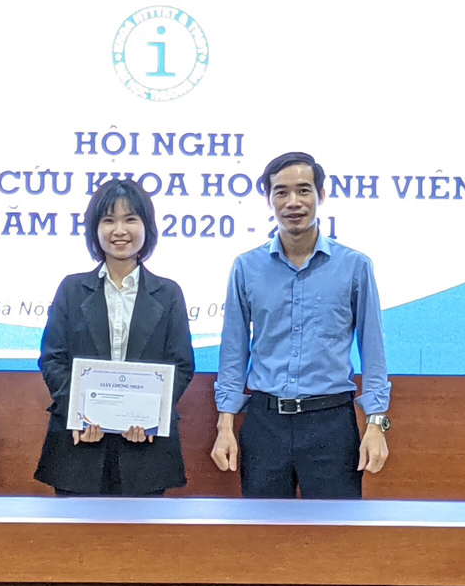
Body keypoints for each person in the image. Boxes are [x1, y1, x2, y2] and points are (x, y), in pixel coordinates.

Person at [210, 151, 390, 498]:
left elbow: (373, 350)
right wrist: (225, 424)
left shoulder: (355, 266)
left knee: (335, 529)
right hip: (265, 424)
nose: (293, 202)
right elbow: (233, 351)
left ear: (321, 195)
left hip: (331, 424)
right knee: (262, 528)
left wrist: (376, 423)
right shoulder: (246, 267)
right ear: (269, 199)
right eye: (281, 192)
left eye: (303, 190)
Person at [35, 178, 195, 496]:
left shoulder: (168, 294)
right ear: (95, 229)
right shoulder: (71, 289)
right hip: (79, 448)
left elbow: (181, 365)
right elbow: (53, 359)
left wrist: (150, 415)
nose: (119, 230)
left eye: (130, 219)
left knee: (141, 530)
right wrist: (79, 413)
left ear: (147, 226)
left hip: (145, 450)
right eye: (108, 220)